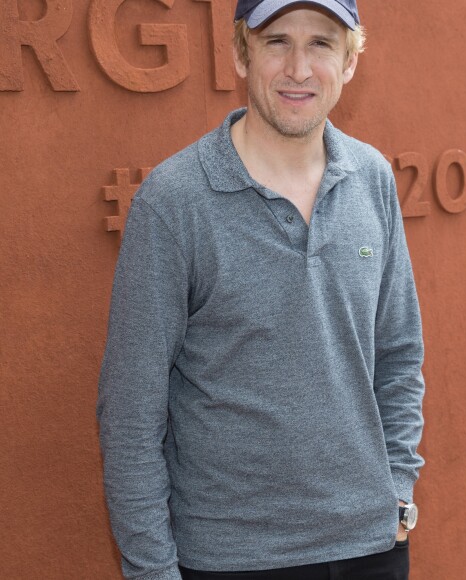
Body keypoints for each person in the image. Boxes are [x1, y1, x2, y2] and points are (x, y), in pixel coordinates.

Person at [97, 1, 426, 579]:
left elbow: (399, 354)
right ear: (239, 54)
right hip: (232, 560)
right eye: (277, 41)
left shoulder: (371, 177)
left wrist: (397, 493)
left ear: (350, 61)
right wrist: (152, 571)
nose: (298, 68)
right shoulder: (175, 202)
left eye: (321, 43)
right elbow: (129, 413)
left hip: (370, 546)